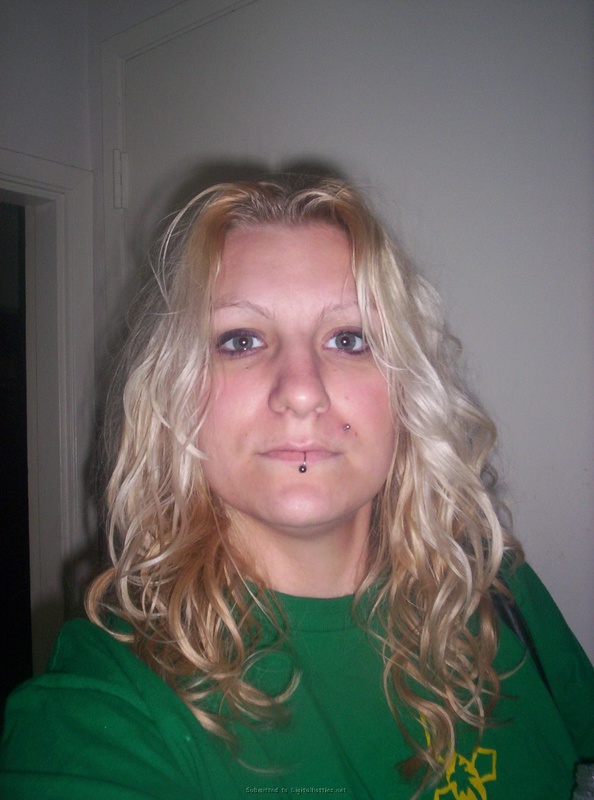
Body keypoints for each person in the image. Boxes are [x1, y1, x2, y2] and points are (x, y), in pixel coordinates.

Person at [1, 175, 592, 799]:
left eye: (349, 339)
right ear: (177, 392)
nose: (302, 390)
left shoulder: (499, 594)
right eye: (240, 340)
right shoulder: (112, 696)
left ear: (406, 390)